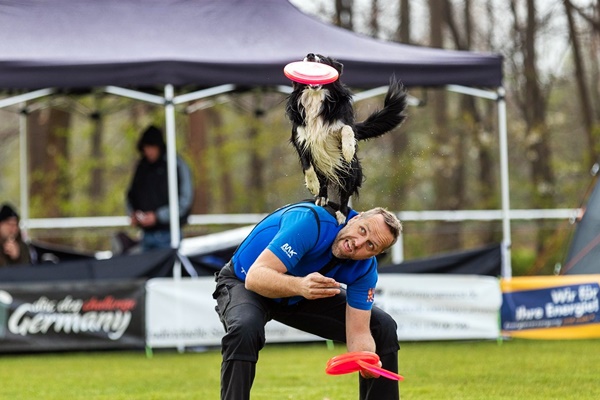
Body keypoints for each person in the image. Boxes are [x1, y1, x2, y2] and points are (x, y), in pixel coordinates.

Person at [212, 200, 403, 400]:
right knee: (245, 328)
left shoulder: (365, 269)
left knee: (382, 326)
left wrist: (366, 359)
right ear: (355, 218)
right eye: (363, 230)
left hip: (299, 293)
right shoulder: (312, 223)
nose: (358, 242)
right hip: (245, 281)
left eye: (370, 245)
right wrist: (300, 286)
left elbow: (359, 331)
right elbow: (255, 277)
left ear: (376, 254)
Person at [126, 125, 194, 251]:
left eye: (152, 147)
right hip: (145, 235)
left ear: (159, 146)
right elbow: (131, 194)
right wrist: (133, 213)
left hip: (169, 235)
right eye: (146, 147)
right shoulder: (142, 167)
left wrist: (158, 216)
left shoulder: (177, 164)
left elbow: (185, 200)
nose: (149, 152)